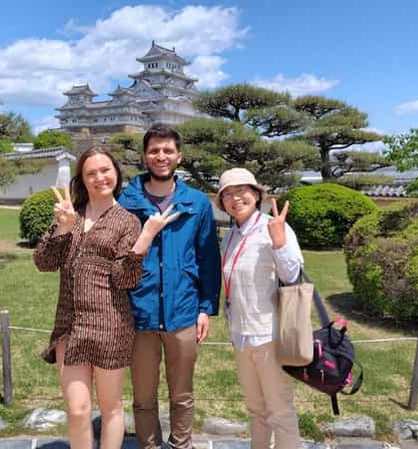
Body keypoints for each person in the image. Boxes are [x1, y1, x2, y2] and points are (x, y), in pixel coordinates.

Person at [34, 147, 180, 449]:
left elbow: (125, 278)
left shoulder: (126, 221)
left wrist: (145, 239)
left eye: (105, 170)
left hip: (111, 325)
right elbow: (44, 263)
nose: (100, 177)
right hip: (70, 326)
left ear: (116, 173)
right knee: (77, 410)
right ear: (82, 179)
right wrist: (61, 227)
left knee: (111, 407)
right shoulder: (70, 214)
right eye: (91, 173)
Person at [118, 124, 221, 449]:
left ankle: (181, 445)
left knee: (182, 394)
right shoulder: (127, 200)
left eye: (167, 150)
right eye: (154, 150)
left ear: (179, 156)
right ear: (145, 156)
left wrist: (206, 308)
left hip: (184, 312)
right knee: (143, 397)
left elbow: (208, 259)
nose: (160, 156)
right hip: (140, 313)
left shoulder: (196, 203)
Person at [216, 168, 303, 449]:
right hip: (241, 335)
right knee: (256, 409)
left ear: (255, 194)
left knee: (280, 410)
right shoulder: (231, 235)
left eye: (241, 191)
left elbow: (292, 276)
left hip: (270, 335)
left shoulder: (274, 226)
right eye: (227, 194)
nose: (235, 198)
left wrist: (279, 241)